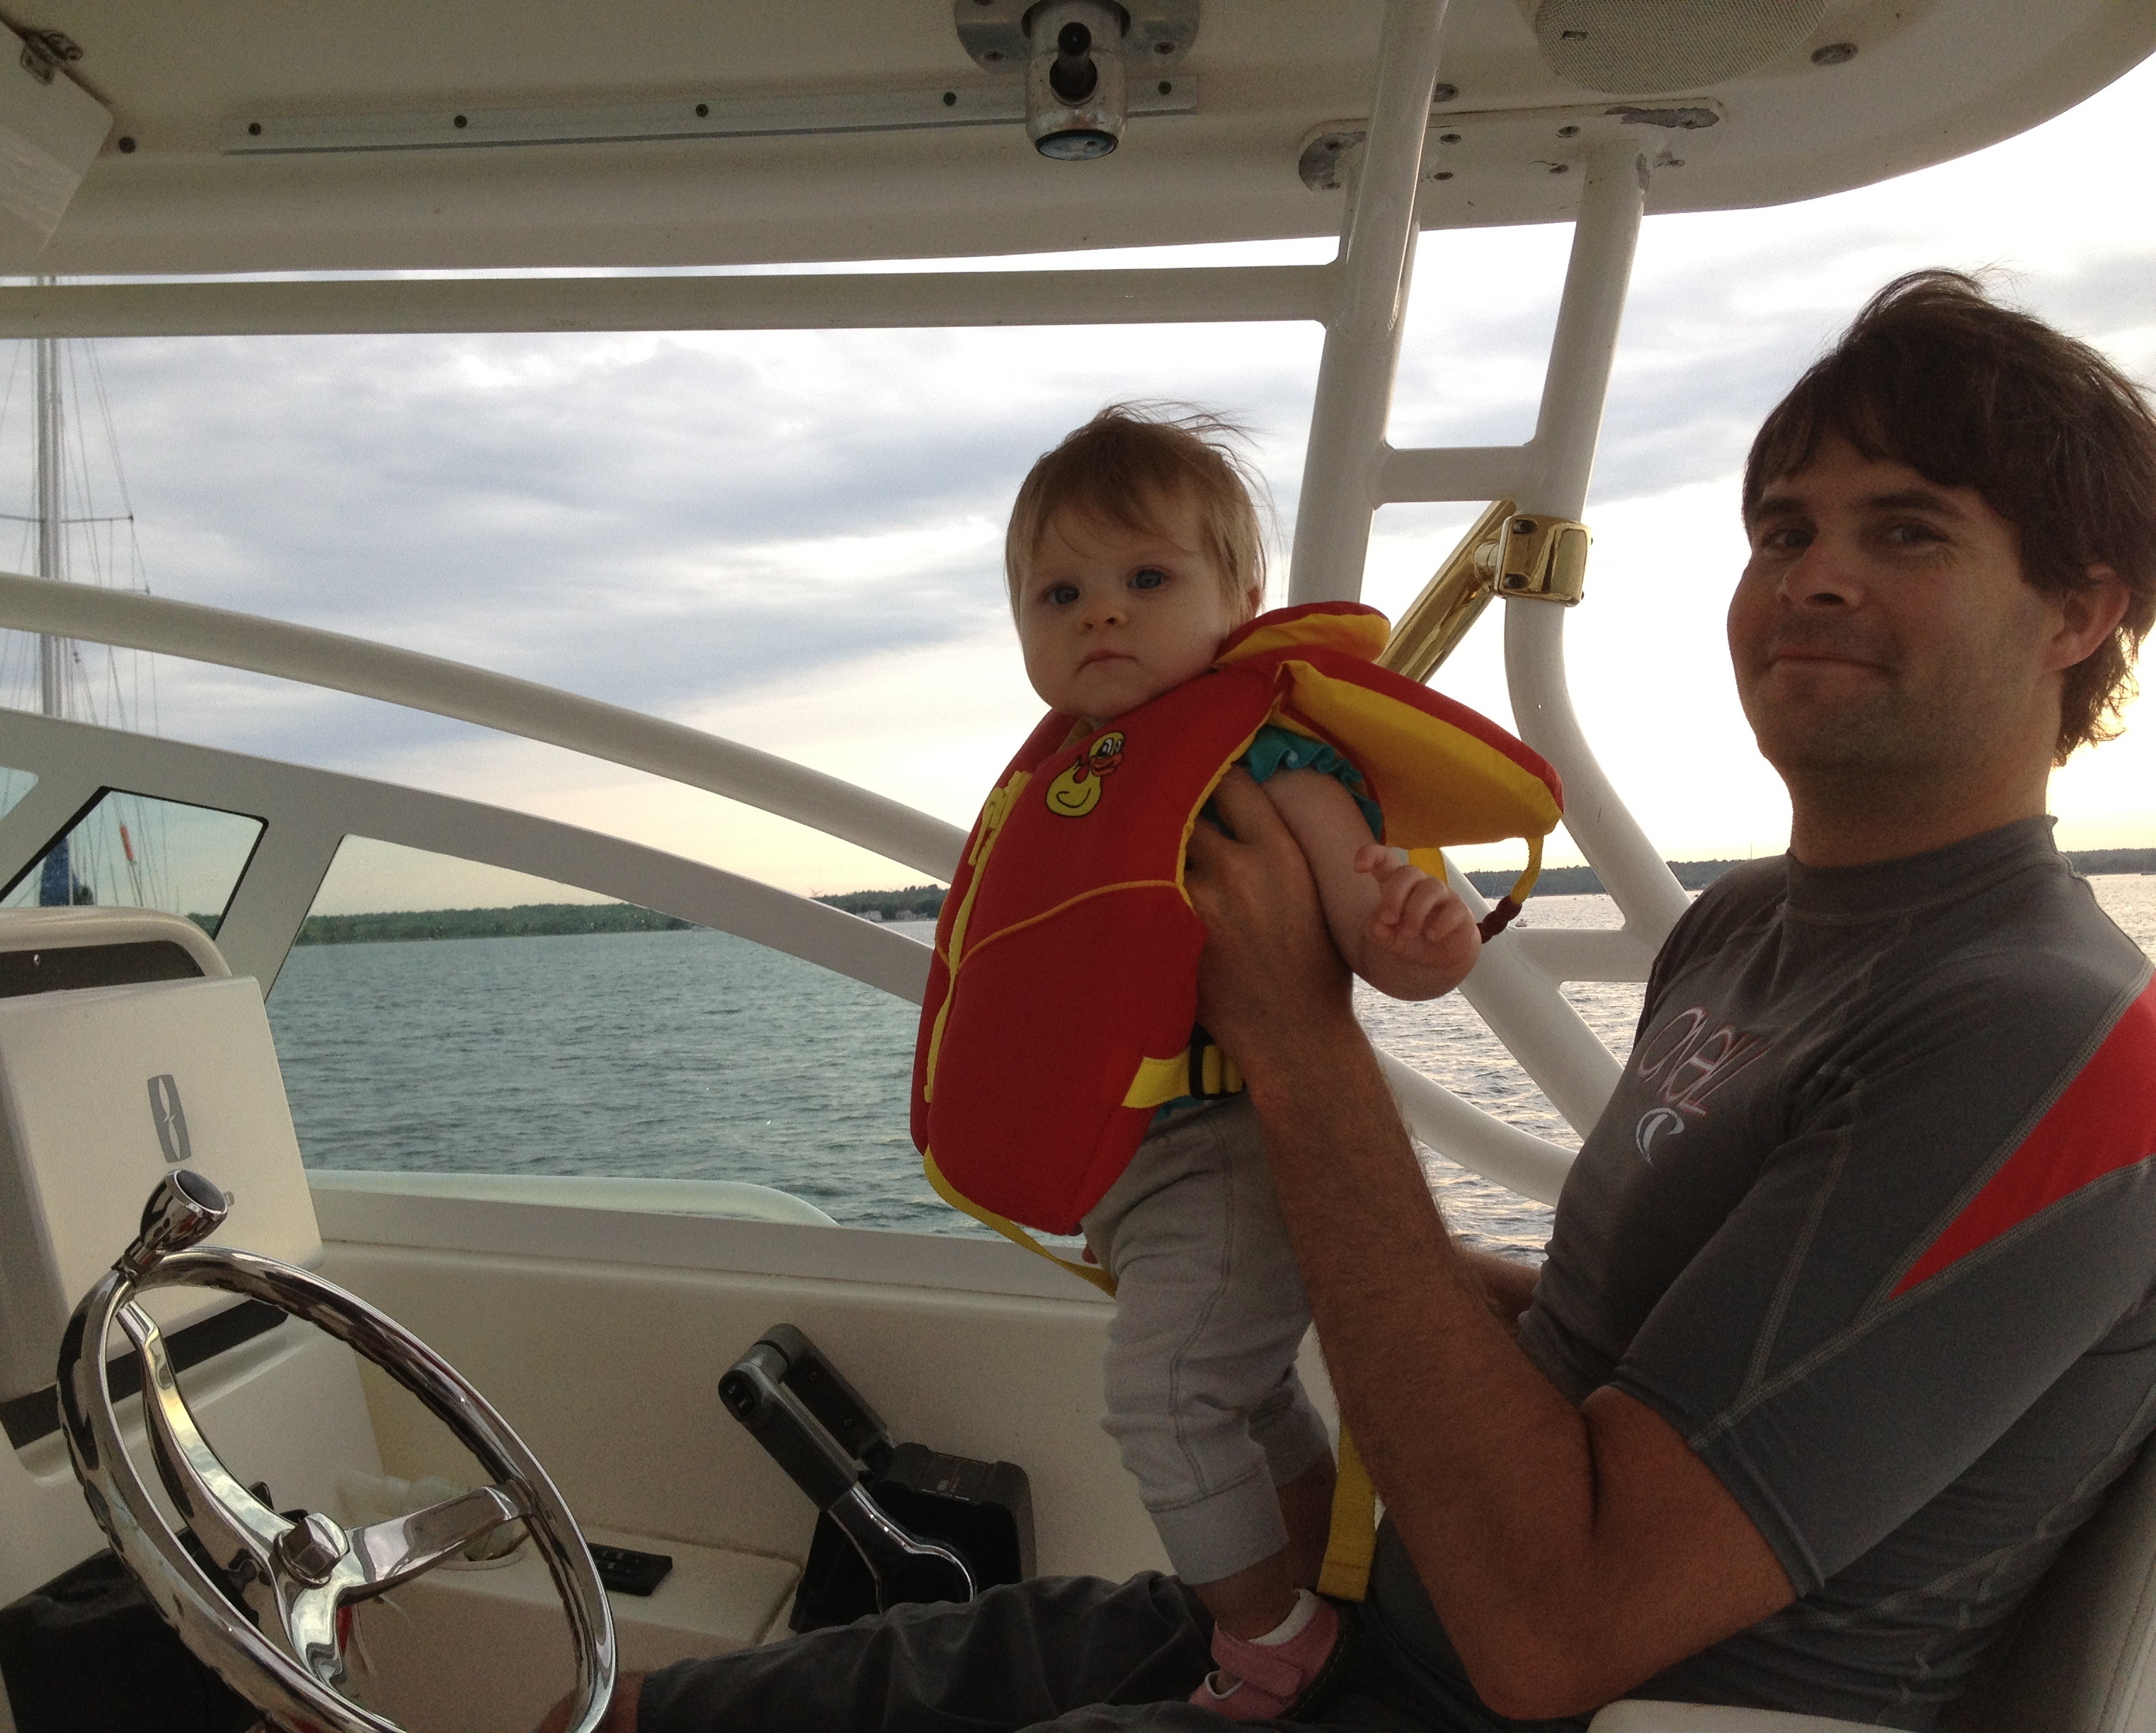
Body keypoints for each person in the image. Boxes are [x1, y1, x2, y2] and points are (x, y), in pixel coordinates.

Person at [605, 270, 2156, 1732]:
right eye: (1781, 531)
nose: (1811, 577)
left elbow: (1553, 1629)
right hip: (1376, 1620)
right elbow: (1628, 1341)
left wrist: (1292, 1032)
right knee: (676, 1708)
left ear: (2079, 613)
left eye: (1908, 534)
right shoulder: (1747, 927)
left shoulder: (2050, 1040)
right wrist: (1266, 1241)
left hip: (1508, 1698)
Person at [959, 404, 1487, 1717]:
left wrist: (1421, 934)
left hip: (1235, 1150)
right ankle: (1314, 1587)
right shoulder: (1072, 780)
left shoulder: (1265, 755)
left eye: (1147, 579)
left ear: (1242, 601)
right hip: (1138, 1168)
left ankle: (1269, 1641)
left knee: (1163, 1399)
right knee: (1238, 1395)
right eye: (1060, 594)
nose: (1102, 613)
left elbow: (1379, 937)